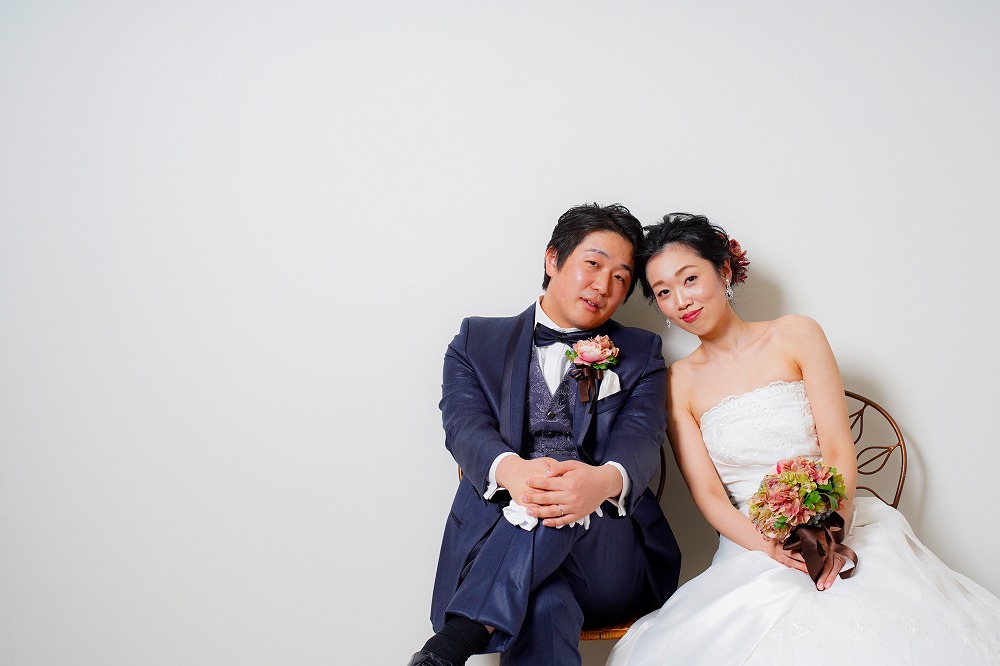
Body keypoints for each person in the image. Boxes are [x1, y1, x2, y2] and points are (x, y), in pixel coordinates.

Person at [606, 213, 1000, 665]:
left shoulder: (797, 334)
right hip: (753, 542)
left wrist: (833, 533)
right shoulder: (678, 382)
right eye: (663, 292)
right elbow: (710, 496)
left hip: (839, 517)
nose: (681, 301)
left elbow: (837, 448)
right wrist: (772, 548)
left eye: (689, 278)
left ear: (724, 270)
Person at [409, 203, 682, 666]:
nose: (604, 286)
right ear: (553, 259)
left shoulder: (640, 352)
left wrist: (600, 481)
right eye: (593, 264)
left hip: (608, 554)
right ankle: (458, 640)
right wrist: (512, 472)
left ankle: (457, 640)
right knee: (544, 603)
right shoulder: (475, 341)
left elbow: (641, 438)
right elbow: (464, 426)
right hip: (495, 538)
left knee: (564, 502)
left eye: (621, 277)